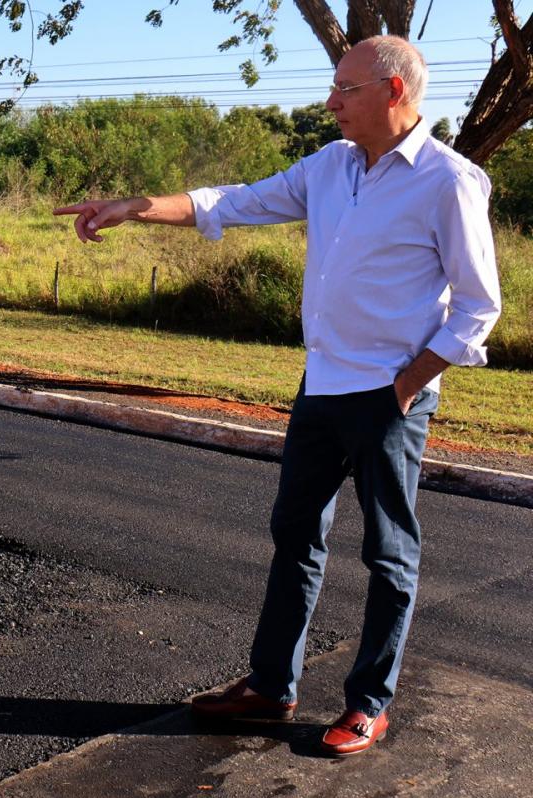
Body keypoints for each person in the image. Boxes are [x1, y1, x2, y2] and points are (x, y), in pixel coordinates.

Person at [54, 35, 501, 756]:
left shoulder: (449, 181)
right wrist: (136, 207)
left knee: (389, 553)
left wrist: (407, 384)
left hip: (388, 399)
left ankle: (368, 704)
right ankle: (270, 685)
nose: (331, 102)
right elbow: (233, 202)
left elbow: (479, 306)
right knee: (295, 535)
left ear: (394, 92)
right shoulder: (330, 167)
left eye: (345, 89)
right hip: (321, 386)